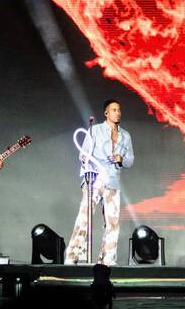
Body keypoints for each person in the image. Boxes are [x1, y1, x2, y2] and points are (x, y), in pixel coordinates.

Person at [66, 99, 135, 266]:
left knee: (112, 223)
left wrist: (121, 159)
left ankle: (107, 260)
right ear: (106, 113)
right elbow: (82, 155)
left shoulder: (125, 135)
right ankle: (72, 256)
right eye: (114, 110)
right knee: (84, 218)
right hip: (94, 180)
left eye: (119, 110)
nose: (117, 112)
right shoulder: (94, 130)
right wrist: (88, 165)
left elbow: (131, 160)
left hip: (113, 183)